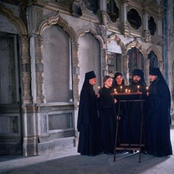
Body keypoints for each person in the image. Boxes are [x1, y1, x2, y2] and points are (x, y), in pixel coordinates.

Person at [147, 67, 172, 157]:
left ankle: (161, 150)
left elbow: (161, 99)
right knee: (154, 130)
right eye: (150, 75)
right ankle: (154, 149)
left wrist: (150, 97)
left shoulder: (161, 85)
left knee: (160, 131)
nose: (150, 77)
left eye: (152, 75)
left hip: (160, 113)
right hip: (154, 113)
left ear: (156, 75)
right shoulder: (154, 84)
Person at [77, 71, 102, 156]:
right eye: (93, 79)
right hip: (87, 116)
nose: (95, 80)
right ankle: (88, 150)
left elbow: (91, 101)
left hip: (91, 115)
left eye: (95, 78)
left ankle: (92, 150)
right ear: (89, 80)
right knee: (88, 132)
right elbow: (86, 104)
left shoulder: (90, 89)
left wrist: (96, 97)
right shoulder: (85, 90)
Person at [127, 69, 147, 146]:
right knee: (132, 127)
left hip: (141, 110)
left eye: (137, 77)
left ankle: (142, 144)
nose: (135, 78)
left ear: (141, 78)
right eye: (134, 76)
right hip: (131, 110)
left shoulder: (143, 87)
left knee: (141, 127)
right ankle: (133, 144)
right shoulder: (129, 87)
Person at [98, 76, 116, 154]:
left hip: (112, 114)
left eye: (111, 81)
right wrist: (112, 103)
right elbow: (101, 105)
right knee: (105, 132)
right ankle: (106, 149)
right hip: (104, 115)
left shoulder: (112, 90)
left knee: (112, 131)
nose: (110, 82)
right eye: (109, 81)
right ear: (104, 82)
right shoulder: (101, 91)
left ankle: (112, 148)